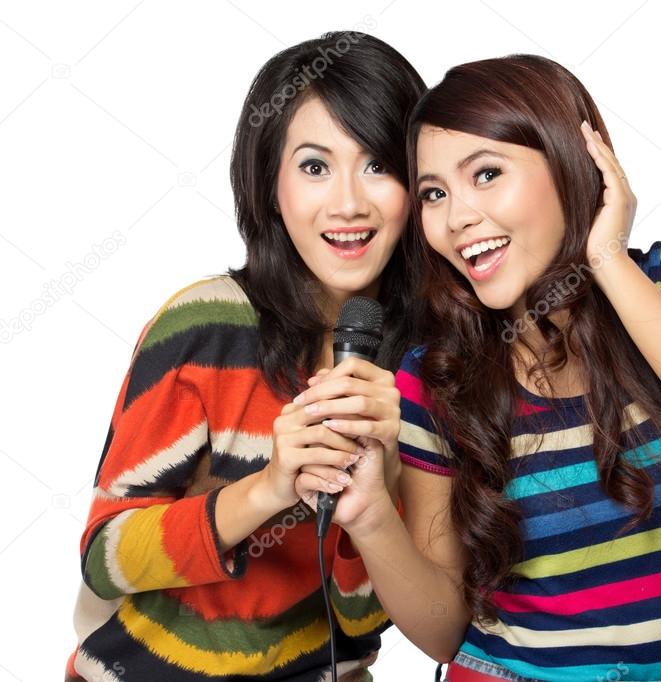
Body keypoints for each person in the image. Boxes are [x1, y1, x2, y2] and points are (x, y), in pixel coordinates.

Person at [297, 54, 661, 682]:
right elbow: (444, 632)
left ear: (572, 164)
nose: (457, 217)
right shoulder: (434, 377)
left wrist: (607, 257)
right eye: (434, 193)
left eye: (487, 174)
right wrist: (368, 515)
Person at [66, 32, 425, 681]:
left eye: (378, 164)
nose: (348, 202)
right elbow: (105, 556)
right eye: (315, 166)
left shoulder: (425, 364)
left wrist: (379, 494)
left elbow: (371, 619)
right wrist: (266, 490)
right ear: (269, 180)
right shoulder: (206, 327)